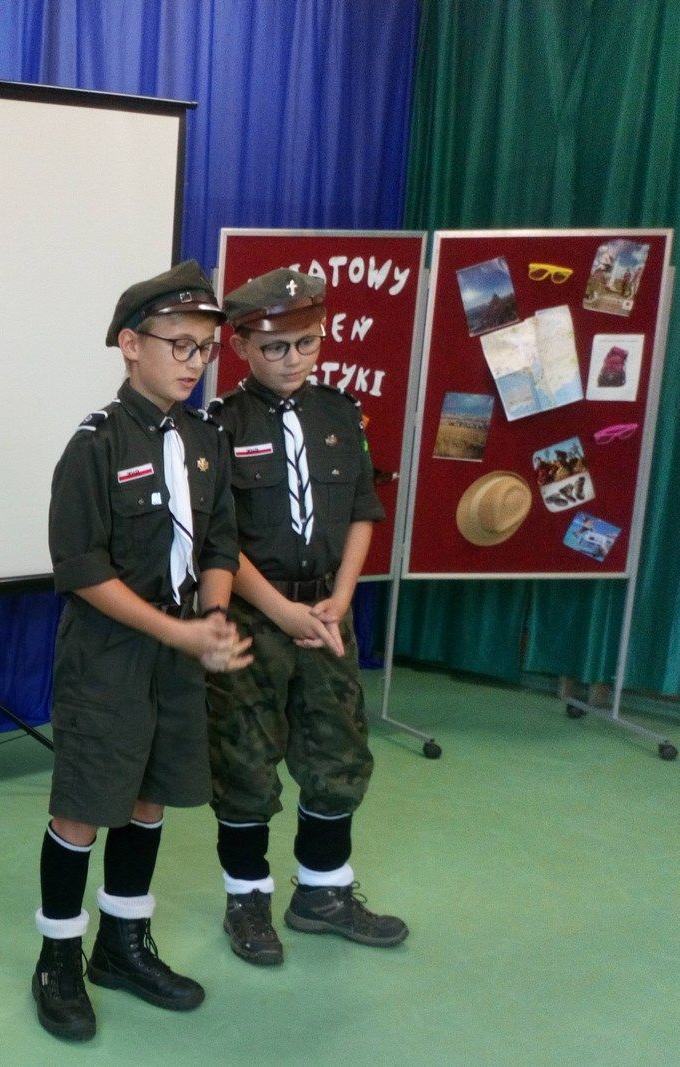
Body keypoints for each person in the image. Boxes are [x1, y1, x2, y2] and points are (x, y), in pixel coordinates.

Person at [33, 260, 253, 1042]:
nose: (194, 363)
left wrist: (213, 617)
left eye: (205, 349)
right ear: (131, 344)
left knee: (150, 794)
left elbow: (219, 540)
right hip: (110, 655)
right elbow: (80, 566)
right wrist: (177, 631)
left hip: (179, 651)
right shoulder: (95, 444)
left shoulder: (204, 439)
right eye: (179, 345)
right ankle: (59, 956)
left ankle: (122, 944)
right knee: (86, 804)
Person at [204, 267, 407, 970]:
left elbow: (362, 511)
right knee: (245, 760)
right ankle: (247, 901)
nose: (294, 359)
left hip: (326, 613)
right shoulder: (222, 425)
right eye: (275, 347)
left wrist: (341, 598)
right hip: (256, 619)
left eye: (308, 343)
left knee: (337, 751)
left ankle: (323, 892)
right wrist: (279, 608)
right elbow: (217, 538)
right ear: (241, 347)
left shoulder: (340, 414)